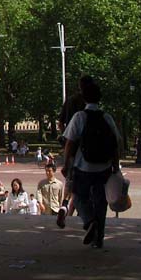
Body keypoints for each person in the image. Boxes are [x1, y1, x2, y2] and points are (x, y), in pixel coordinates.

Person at [62, 79, 122, 249]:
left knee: (79, 197)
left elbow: (70, 143)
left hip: (83, 166)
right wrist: (115, 164)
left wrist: (66, 164)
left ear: (84, 98)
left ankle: (89, 221)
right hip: (104, 167)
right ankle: (99, 238)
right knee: (101, 202)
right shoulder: (107, 117)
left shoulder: (79, 117)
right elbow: (115, 143)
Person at [56, 75, 92, 228]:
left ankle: (65, 205)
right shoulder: (90, 105)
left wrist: (65, 135)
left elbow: (60, 122)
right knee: (89, 185)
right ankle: (86, 217)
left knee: (71, 181)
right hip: (89, 150)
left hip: (72, 148)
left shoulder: (70, 101)